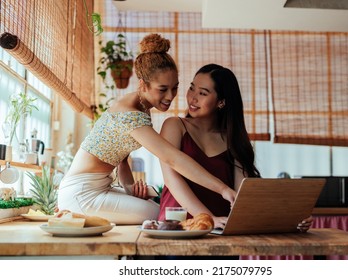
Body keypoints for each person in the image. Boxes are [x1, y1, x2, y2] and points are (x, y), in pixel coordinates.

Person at [57, 35, 236, 225]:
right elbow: (172, 158)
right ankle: (73, 214)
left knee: (153, 204)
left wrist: (129, 187)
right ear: (143, 84)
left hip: (99, 186)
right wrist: (223, 189)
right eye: (162, 89)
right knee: (156, 212)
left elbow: (122, 160)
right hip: (82, 192)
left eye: (175, 88)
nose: (170, 96)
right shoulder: (130, 114)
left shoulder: (141, 107)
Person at [158, 63, 312, 232]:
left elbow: (242, 195)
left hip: (220, 231)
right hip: (178, 228)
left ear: (221, 102)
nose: (193, 98)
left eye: (203, 93)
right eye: (192, 88)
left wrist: (291, 219)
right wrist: (207, 219)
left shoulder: (233, 140)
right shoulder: (174, 126)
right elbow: (171, 180)